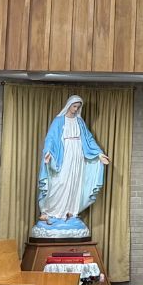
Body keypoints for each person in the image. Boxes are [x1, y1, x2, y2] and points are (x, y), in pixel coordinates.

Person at [34, 94, 111, 238]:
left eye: (78, 107)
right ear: (68, 105)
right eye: (74, 106)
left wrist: (99, 154)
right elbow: (50, 138)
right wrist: (48, 152)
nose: (75, 109)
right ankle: (50, 212)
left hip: (77, 156)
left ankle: (70, 213)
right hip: (63, 156)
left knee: (74, 184)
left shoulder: (80, 122)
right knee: (60, 182)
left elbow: (88, 139)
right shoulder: (58, 121)